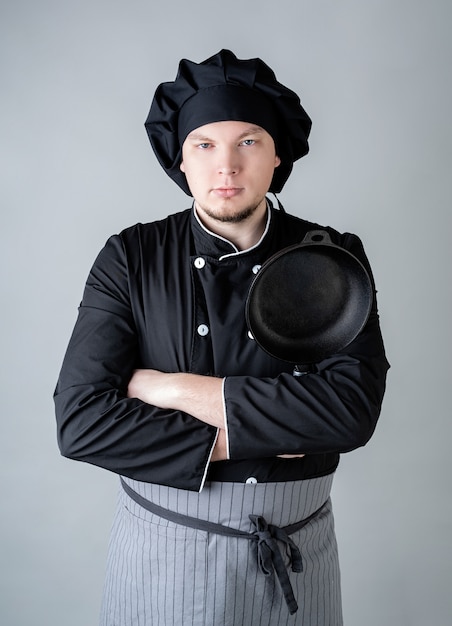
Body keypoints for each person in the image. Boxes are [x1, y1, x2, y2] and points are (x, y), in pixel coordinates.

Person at [54, 49, 389, 626]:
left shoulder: (332, 257)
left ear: (277, 154)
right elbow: (80, 421)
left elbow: (351, 411)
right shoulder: (131, 258)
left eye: (248, 142)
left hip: (298, 556)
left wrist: (171, 389)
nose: (226, 166)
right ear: (180, 160)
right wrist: (268, 432)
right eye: (204, 145)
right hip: (166, 555)